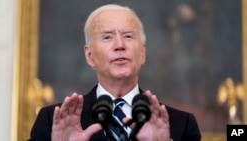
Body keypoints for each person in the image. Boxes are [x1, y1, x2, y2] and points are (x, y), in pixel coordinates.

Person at [28, 4, 201, 141]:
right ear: (89, 56)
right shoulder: (52, 121)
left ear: (143, 53)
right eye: (107, 37)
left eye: (128, 36)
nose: (120, 45)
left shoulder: (181, 124)